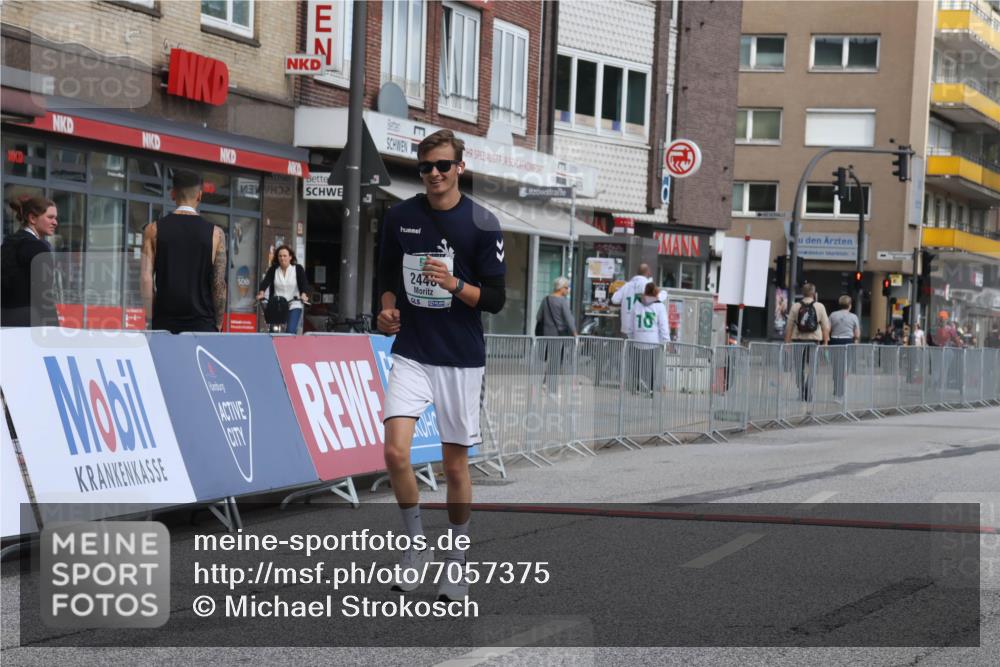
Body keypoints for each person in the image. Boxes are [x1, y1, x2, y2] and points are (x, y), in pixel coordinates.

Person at [377, 129, 506, 602]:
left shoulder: (483, 223)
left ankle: (456, 558)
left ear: (459, 168)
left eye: (442, 166)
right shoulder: (400, 216)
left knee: (454, 468)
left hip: (460, 358)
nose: (433, 174)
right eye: (425, 167)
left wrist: (454, 285)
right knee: (395, 453)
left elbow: (495, 299)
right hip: (412, 351)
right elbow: (387, 275)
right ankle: (416, 546)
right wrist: (386, 310)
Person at [141, 170, 227, 334]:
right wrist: (218, 323)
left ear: (173, 194)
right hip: (203, 325)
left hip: (164, 325)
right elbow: (219, 284)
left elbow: (146, 279)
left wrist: (151, 319)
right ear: (199, 195)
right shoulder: (216, 234)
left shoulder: (152, 230)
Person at [1, 195, 59, 327]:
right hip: (29, 322)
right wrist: (54, 327)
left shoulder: (7, 244)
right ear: (32, 218)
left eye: (55, 218)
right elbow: (43, 294)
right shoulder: (38, 248)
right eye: (50, 217)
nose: (55, 222)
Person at [784, 283, 830, 402]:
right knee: (813, 366)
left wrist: (787, 343)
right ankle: (808, 389)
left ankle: (801, 392)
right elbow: (825, 326)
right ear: (814, 293)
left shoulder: (795, 306)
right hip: (814, 340)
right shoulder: (820, 306)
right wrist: (825, 342)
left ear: (803, 293)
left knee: (799, 367)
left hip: (797, 340)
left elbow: (789, 326)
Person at [536, 277, 577, 396]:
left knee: (551, 360)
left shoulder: (546, 300)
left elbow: (538, 317)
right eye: (566, 287)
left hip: (546, 335)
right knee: (556, 362)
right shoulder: (562, 301)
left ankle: (545, 383)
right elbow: (569, 319)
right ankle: (551, 389)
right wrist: (575, 333)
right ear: (561, 288)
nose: (568, 290)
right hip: (559, 336)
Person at [256, 245, 310, 334]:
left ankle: (290, 341)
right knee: (274, 331)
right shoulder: (274, 269)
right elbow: (265, 282)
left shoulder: (298, 269)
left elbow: (304, 283)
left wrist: (304, 295)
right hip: (278, 304)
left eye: (285, 256)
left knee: (290, 331)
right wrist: (261, 293)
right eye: (280, 256)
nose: (282, 258)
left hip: (294, 303)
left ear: (290, 257)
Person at [628, 282, 670, 394]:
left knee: (637, 364)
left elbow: (630, 325)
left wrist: (631, 337)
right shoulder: (659, 306)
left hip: (637, 340)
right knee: (652, 366)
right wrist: (666, 340)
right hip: (653, 341)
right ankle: (650, 389)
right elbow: (663, 326)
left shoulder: (636, 304)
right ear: (656, 292)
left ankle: (637, 387)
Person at [827, 295, 859, 398]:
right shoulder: (854, 317)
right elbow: (857, 333)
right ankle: (841, 391)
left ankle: (837, 389)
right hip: (848, 342)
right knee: (845, 367)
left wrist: (826, 342)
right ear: (850, 305)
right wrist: (856, 341)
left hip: (835, 341)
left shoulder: (833, 315)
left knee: (836, 366)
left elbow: (827, 329)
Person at [611, 263, 652, 337]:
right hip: (642, 327)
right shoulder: (648, 285)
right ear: (647, 272)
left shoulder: (627, 285)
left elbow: (614, 299)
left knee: (627, 344)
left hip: (627, 327)